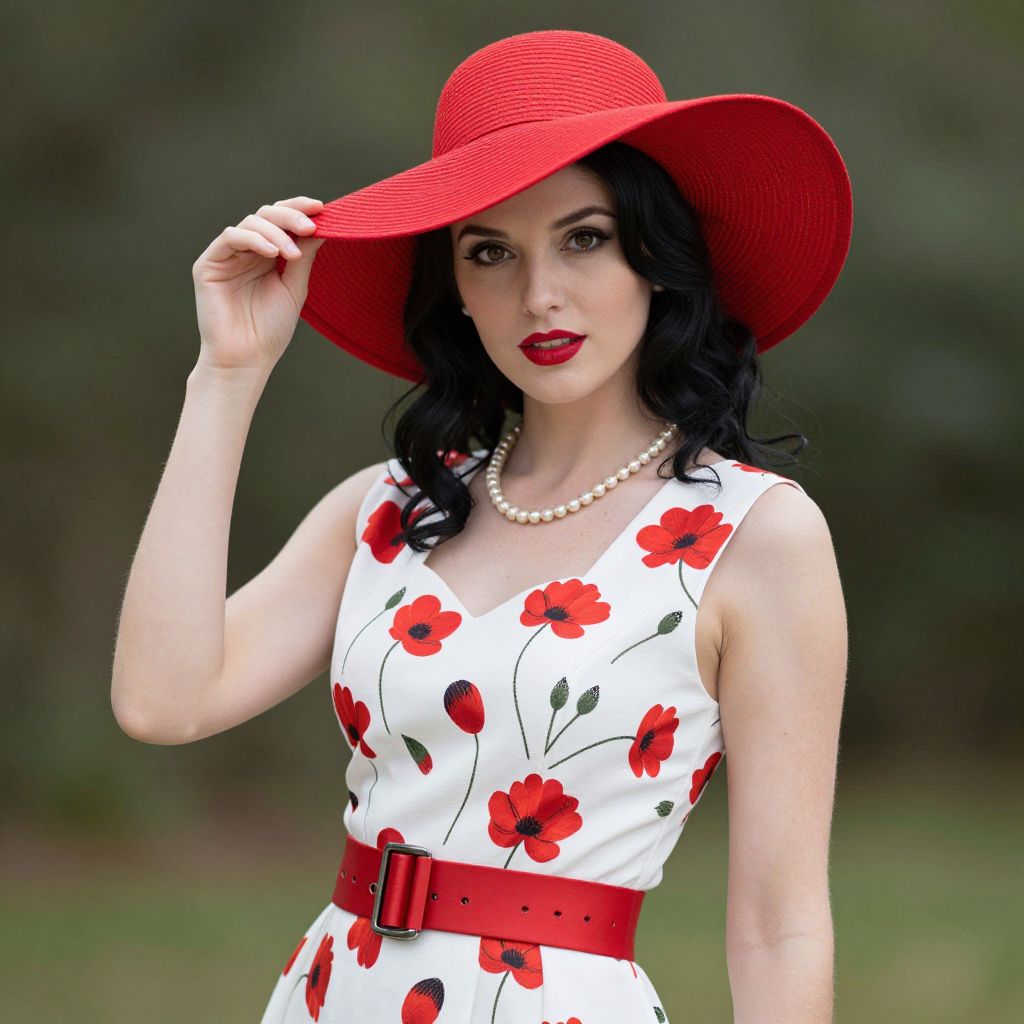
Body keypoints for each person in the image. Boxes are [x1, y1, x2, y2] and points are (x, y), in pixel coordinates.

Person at [111, 29, 850, 1024]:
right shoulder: (386, 510)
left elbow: (780, 920)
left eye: (584, 238)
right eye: (490, 251)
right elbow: (163, 700)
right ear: (453, 288)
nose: (537, 294)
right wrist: (227, 378)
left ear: (658, 259)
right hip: (333, 996)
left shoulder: (753, 535)